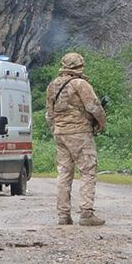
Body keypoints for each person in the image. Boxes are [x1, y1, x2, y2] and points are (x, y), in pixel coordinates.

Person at [44, 52, 106, 226]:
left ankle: (63, 214)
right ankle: (86, 212)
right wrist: (101, 123)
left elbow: (49, 114)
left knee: (64, 173)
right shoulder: (80, 84)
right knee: (87, 170)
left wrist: (56, 129)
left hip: (60, 134)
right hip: (79, 133)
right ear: (80, 65)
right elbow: (94, 106)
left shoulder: (53, 86)